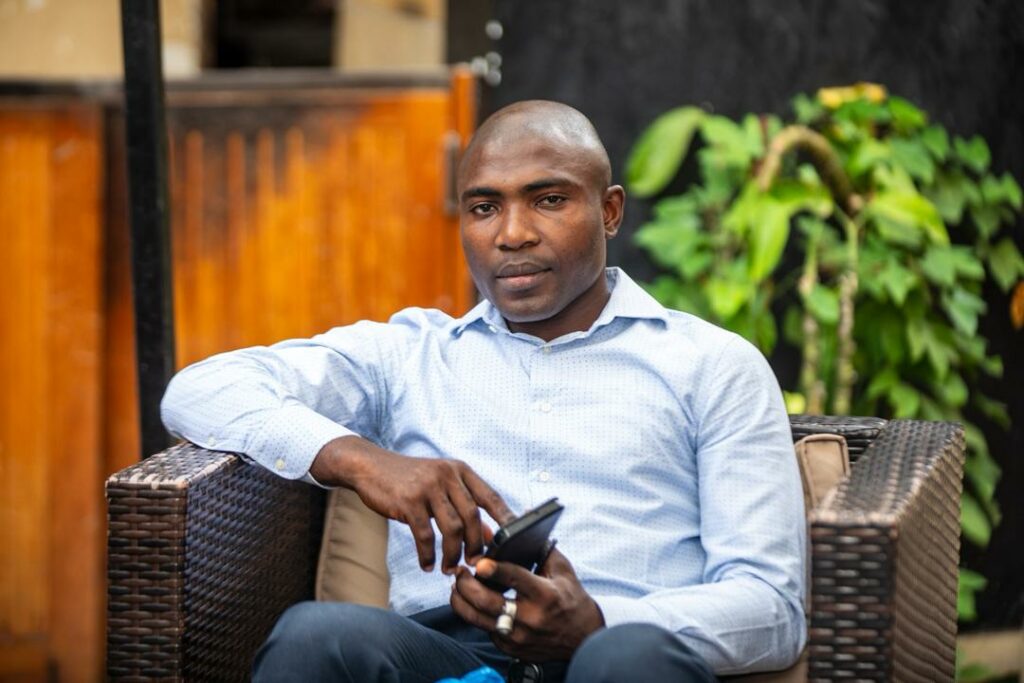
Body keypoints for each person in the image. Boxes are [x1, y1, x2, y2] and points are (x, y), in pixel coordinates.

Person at [161, 100, 806, 683]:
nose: (512, 233)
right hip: (446, 659)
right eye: (484, 207)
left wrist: (599, 623)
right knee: (316, 636)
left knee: (626, 660)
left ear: (609, 211)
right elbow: (199, 389)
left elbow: (773, 607)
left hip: (620, 656)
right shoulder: (409, 355)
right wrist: (359, 459)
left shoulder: (711, 365)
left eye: (548, 200)